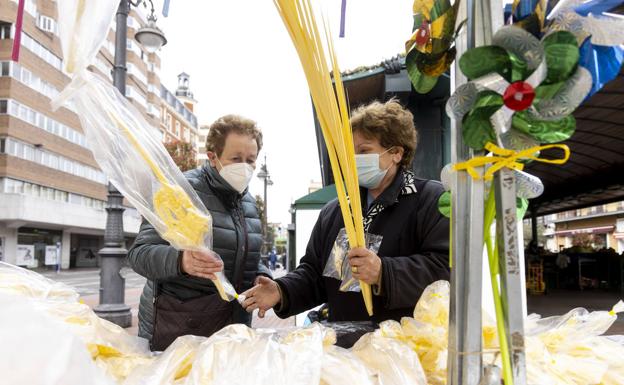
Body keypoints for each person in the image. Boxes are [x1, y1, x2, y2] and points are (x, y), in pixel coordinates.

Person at [242, 99, 450, 323]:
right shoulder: (336, 210)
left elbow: (446, 272)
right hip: (343, 346)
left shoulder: (430, 200)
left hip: (403, 347)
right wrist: (281, 290)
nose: (354, 160)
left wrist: (384, 272)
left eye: (364, 151)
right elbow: (315, 275)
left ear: (396, 152)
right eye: (350, 152)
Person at [128, 114, 271, 351]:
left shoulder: (248, 203)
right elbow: (139, 255)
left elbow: (244, 258)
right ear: (213, 157)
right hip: (179, 331)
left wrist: (262, 277)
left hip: (232, 332)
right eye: (236, 158)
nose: (245, 167)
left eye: (251, 160)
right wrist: (180, 260)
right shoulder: (179, 192)